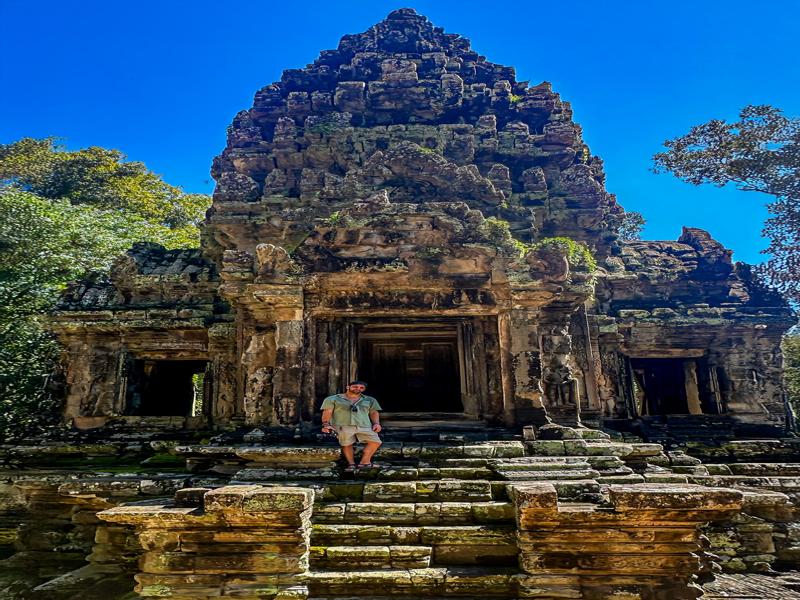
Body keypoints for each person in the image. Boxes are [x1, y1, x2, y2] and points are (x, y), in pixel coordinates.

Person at [320, 380, 382, 471]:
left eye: (361, 388)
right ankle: (351, 464)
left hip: (364, 425)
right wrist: (326, 424)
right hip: (342, 425)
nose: (358, 389)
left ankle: (364, 462)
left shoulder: (370, 400)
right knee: (346, 444)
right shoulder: (332, 399)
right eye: (355, 387)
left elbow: (374, 412)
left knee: (376, 442)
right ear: (348, 387)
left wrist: (376, 424)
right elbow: (327, 412)